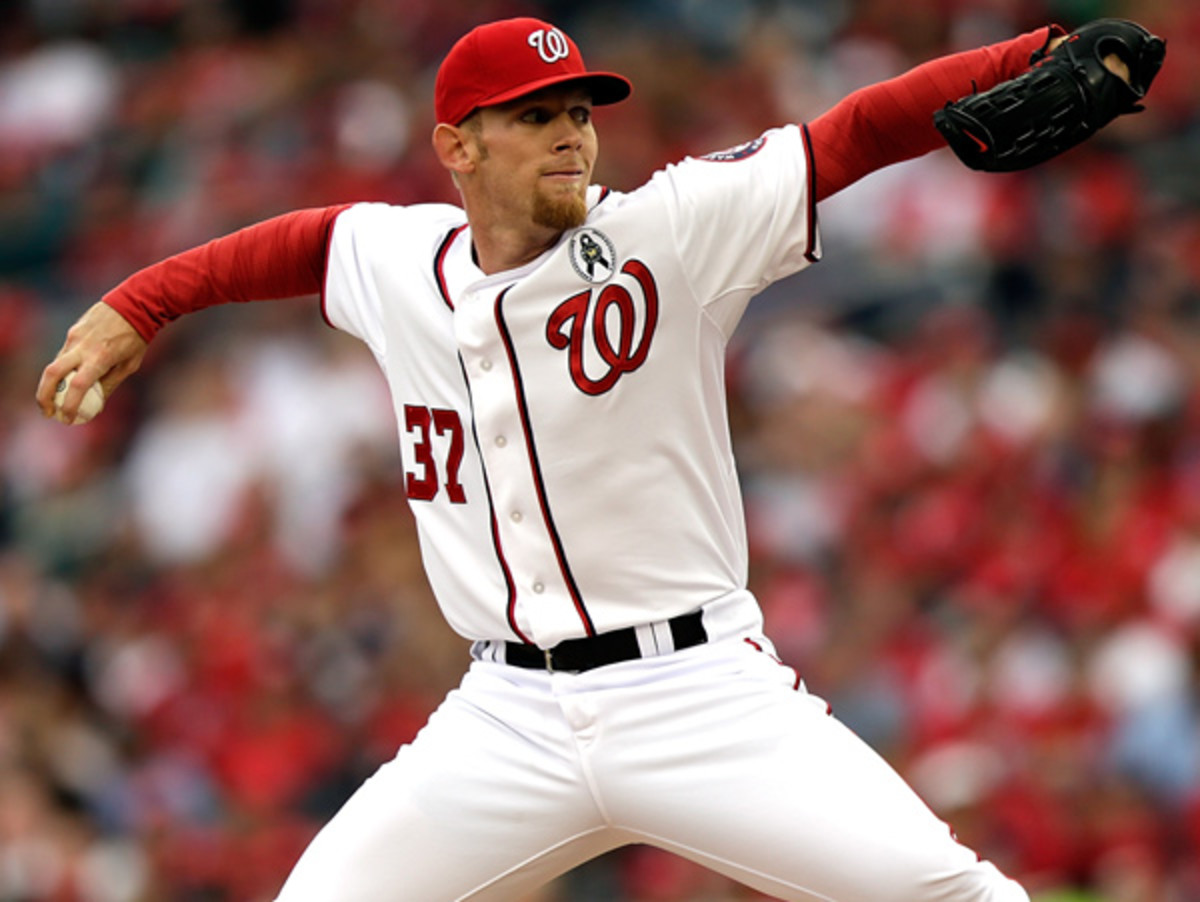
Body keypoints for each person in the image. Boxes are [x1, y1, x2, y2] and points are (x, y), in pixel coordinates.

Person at [37, 14, 1162, 902]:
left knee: (941, 889)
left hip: (695, 690)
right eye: (535, 114)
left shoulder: (669, 233)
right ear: (458, 146)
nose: (573, 129)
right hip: (505, 713)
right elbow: (279, 248)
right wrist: (138, 305)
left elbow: (850, 134)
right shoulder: (397, 255)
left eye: (579, 107)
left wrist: (1030, 55)